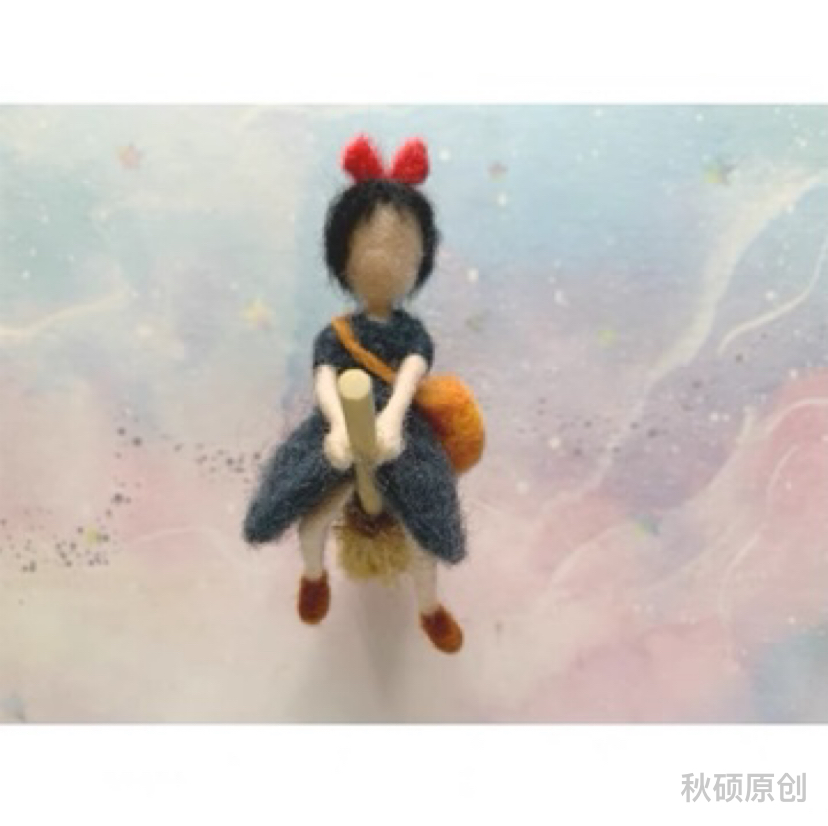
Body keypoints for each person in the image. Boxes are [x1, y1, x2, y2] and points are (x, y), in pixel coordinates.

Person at [243, 135, 465, 653]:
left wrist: (391, 420)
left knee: (424, 529)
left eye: (401, 250)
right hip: (337, 426)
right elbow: (324, 380)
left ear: (420, 260)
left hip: (398, 430)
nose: (384, 259)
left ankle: (429, 607)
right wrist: (340, 428)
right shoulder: (336, 334)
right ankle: (313, 575)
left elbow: (411, 374)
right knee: (310, 516)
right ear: (343, 256)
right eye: (369, 248)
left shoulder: (411, 333)